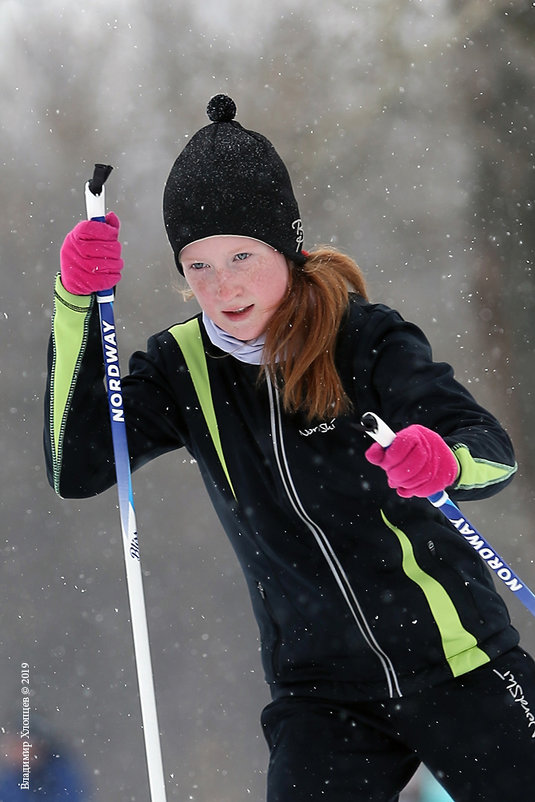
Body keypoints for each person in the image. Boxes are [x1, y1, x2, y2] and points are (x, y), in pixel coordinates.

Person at [44, 94, 535, 801]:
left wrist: (443, 461)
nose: (223, 284)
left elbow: (490, 450)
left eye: (242, 255)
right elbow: (77, 464)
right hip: (319, 695)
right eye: (199, 264)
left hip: (457, 664)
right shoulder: (180, 366)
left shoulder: (365, 338)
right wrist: (74, 302)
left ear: (288, 247)